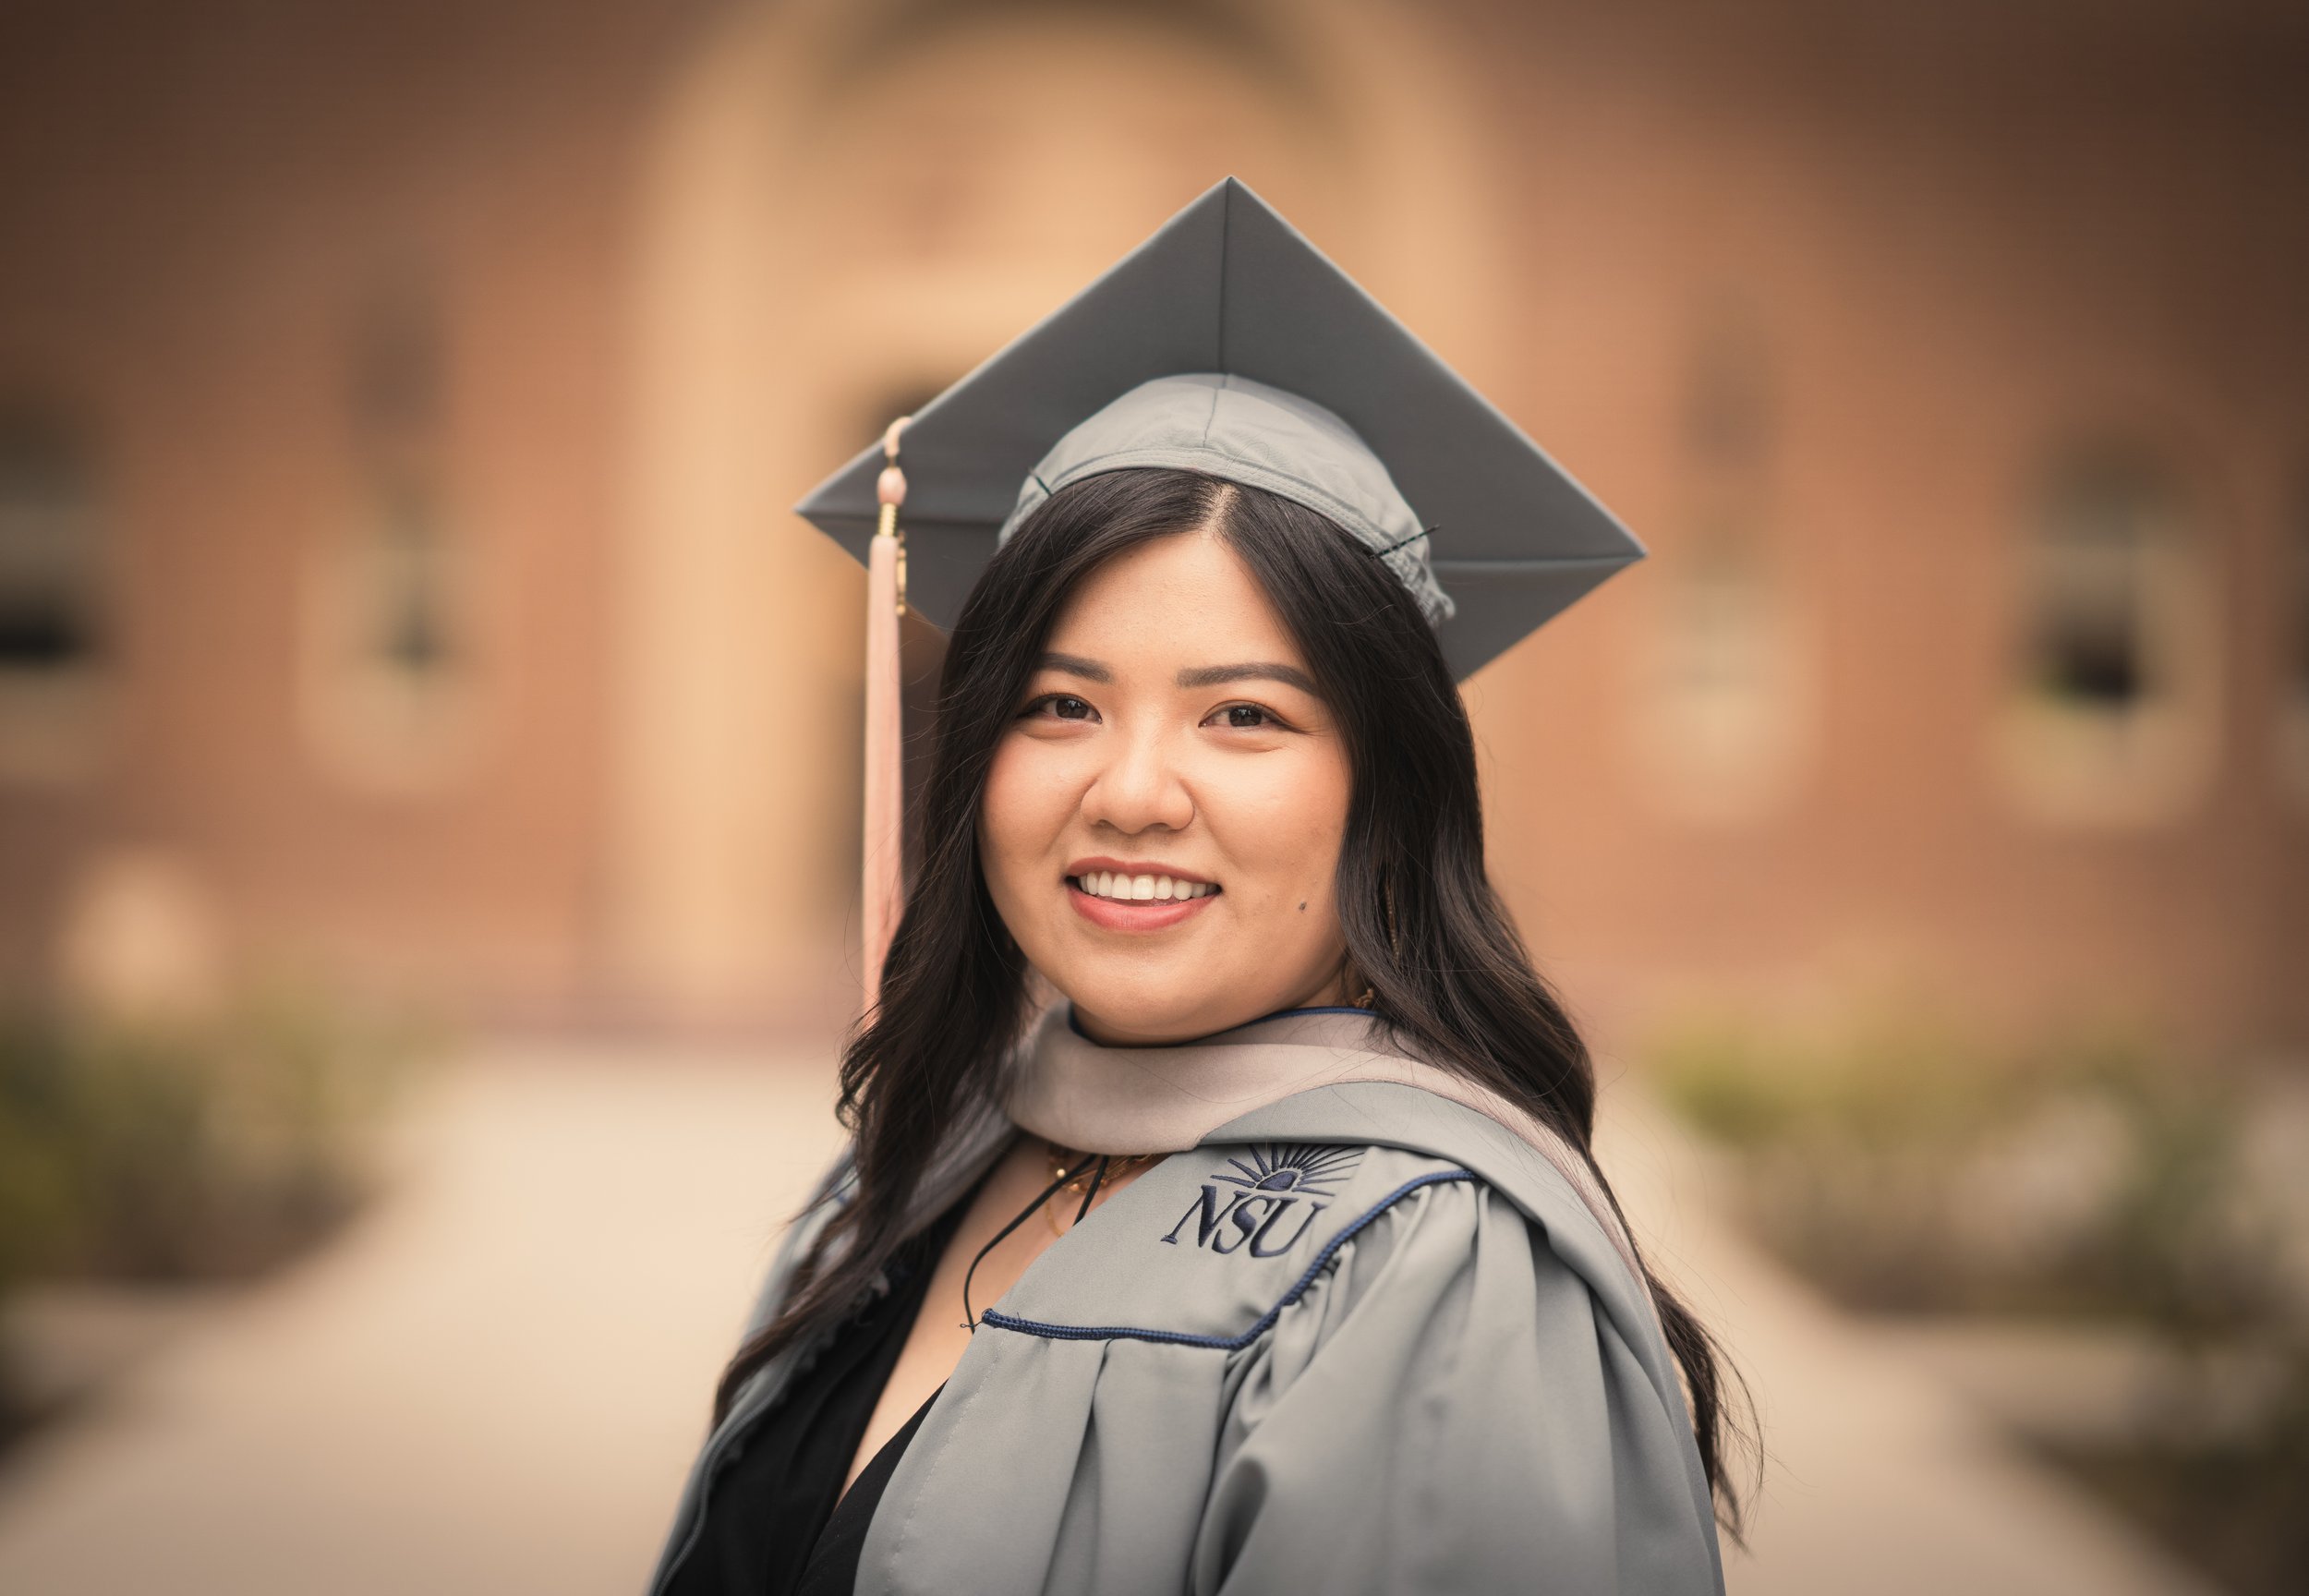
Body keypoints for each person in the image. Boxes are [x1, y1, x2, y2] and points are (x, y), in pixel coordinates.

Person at [645, 179, 1747, 1596]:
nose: (1132, 791)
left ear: (1390, 789)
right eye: (1060, 706)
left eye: (1243, 717)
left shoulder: (1434, 1269)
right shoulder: (918, 1162)